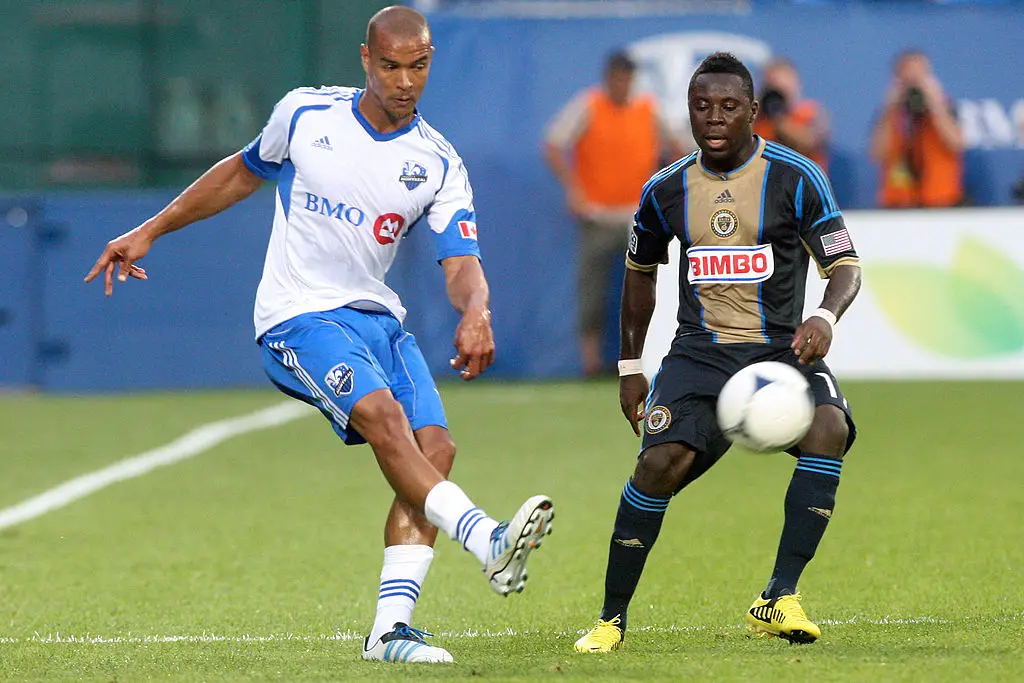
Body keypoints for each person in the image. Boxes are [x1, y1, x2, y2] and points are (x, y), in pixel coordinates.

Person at [85, 6, 554, 665]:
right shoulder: (306, 114)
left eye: (416, 66)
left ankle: (390, 630)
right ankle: (487, 538)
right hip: (297, 315)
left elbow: (462, 262)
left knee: (435, 450)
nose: (403, 80)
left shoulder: (439, 163)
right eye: (389, 65)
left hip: (377, 321)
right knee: (384, 417)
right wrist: (151, 229)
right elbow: (241, 171)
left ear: (430, 62)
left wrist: (477, 309)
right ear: (366, 59)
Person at [573, 52, 862, 653]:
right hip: (698, 355)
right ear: (688, 110)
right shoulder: (665, 189)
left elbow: (845, 266)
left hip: (781, 352)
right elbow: (639, 274)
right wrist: (629, 369)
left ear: (753, 112)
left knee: (829, 426)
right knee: (657, 468)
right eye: (702, 106)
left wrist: (824, 315)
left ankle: (779, 596)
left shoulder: (796, 177)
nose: (715, 118)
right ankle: (610, 620)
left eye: (730, 107)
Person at [544, 50, 690, 378]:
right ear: (608, 78)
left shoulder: (648, 107)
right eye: (618, 79)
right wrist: (575, 189)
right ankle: (591, 364)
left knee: (642, 290)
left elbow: (678, 146)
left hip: (637, 217)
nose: (623, 86)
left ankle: (641, 359)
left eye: (627, 79)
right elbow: (554, 143)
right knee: (592, 292)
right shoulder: (589, 105)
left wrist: (664, 190)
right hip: (597, 215)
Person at [870, 50, 964, 208]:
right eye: (907, 78)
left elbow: (957, 144)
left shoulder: (945, 107)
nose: (914, 85)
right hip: (900, 202)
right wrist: (889, 109)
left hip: (941, 201)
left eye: (919, 77)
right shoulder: (889, 113)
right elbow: (877, 154)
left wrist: (936, 104)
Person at [754, 57, 830, 172]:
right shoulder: (757, 117)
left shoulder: (812, 113)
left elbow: (809, 142)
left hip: (803, 184)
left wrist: (777, 115)